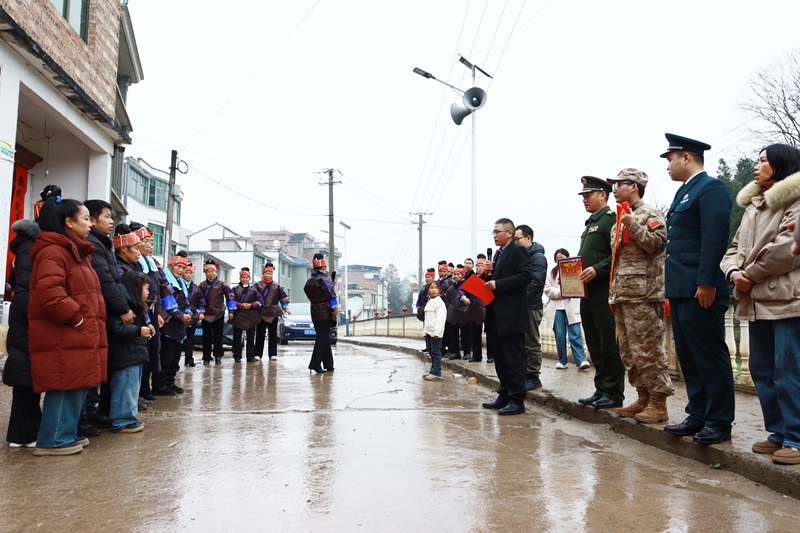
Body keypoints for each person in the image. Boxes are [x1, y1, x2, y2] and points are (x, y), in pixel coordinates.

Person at [721, 143, 800, 464]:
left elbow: (787, 248)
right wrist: (733, 272)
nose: (757, 166)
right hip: (754, 299)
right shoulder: (754, 205)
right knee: (762, 369)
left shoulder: (794, 199)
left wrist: (749, 273)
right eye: (756, 160)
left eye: (764, 161)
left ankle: (796, 437)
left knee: (788, 369)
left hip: (786, 299)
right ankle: (778, 432)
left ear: (782, 166)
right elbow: (733, 249)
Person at [660, 133, 735, 445]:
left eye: (670, 159)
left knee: (709, 353)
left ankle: (719, 421)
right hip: (680, 286)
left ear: (686, 157)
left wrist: (706, 282)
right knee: (688, 355)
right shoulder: (684, 192)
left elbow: (714, 238)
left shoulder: (711, 188)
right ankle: (698, 413)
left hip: (700, 286)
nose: (668, 165)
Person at [28, 197, 107, 456]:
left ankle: (67, 433)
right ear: (68, 222)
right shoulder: (54, 251)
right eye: (85, 218)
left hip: (77, 332)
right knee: (65, 383)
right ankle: (53, 440)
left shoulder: (74, 250)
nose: (90, 223)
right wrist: (79, 318)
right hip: (66, 331)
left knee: (77, 382)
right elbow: (50, 294)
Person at [607, 169, 674, 423]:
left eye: (619, 185)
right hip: (623, 295)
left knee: (648, 350)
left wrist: (633, 224)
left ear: (634, 186)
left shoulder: (649, 214)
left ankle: (659, 403)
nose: (614, 189)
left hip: (644, 296)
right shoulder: (620, 218)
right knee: (629, 352)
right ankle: (643, 396)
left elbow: (657, 245)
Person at [83, 199, 133, 432]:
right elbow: (106, 281)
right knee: (90, 367)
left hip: (105, 312)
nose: (112, 221)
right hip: (101, 313)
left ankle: (93, 413)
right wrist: (123, 308)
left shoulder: (102, 244)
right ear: (91, 220)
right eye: (106, 216)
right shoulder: (93, 244)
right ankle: (86, 416)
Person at [576, 176, 626, 409]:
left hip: (604, 290)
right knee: (594, 342)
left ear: (603, 195)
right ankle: (601, 388)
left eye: (589, 195)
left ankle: (614, 392)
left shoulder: (611, 219)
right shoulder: (590, 224)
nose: (584, 199)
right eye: (583, 196)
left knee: (609, 342)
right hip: (587, 292)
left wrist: (597, 269)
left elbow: (617, 254)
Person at [481, 218, 534, 416]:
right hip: (498, 315)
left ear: (509, 233)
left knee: (514, 359)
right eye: (493, 232)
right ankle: (504, 394)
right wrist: (489, 276)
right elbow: (496, 280)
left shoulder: (517, 250)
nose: (494, 235)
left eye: (497, 232)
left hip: (512, 315)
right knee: (501, 360)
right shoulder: (499, 254)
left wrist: (499, 283)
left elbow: (526, 275)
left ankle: (517, 400)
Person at [3, 218, 42, 447]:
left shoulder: (26, 245)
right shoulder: (30, 246)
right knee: (26, 375)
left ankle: (21, 433)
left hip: (24, 316)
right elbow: (26, 288)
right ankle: (25, 433)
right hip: (27, 319)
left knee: (26, 375)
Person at [107, 271, 154, 433]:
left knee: (132, 388)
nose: (148, 292)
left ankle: (129, 417)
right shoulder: (122, 308)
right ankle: (122, 421)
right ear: (135, 288)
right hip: (125, 356)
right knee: (125, 388)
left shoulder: (133, 306)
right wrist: (137, 331)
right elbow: (117, 329)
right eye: (146, 288)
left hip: (133, 355)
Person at [154, 252, 194, 395]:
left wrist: (188, 314)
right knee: (165, 356)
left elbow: (187, 304)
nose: (181, 270)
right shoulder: (165, 281)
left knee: (175, 358)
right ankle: (161, 385)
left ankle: (171, 381)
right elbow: (167, 304)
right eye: (178, 266)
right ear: (171, 265)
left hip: (180, 326)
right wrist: (180, 315)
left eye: (184, 267)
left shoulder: (181, 283)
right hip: (167, 325)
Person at [543, 248, 590, 370]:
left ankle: (581, 360)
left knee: (575, 334)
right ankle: (562, 360)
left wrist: (570, 291)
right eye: (557, 259)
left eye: (562, 258)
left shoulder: (575, 270)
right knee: (559, 335)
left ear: (568, 257)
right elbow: (547, 289)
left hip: (571, 307)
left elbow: (580, 286)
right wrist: (560, 293)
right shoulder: (552, 273)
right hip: (557, 308)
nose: (560, 260)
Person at [514, 224, 547, 391]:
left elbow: (536, 284)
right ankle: (525, 373)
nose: (515, 242)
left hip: (531, 306)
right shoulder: (521, 256)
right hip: (520, 305)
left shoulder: (537, 257)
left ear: (528, 238)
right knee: (522, 342)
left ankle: (534, 376)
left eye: (517, 239)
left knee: (531, 342)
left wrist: (520, 301)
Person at [190, 260, 236, 365]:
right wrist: (200, 311)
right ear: (205, 273)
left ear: (216, 272)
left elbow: (231, 296)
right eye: (208, 271)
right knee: (206, 337)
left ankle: (218, 356)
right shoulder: (202, 285)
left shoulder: (222, 284)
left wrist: (231, 310)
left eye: (212, 271)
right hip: (206, 314)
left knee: (218, 336)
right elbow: (198, 299)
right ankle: (206, 357)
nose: (211, 273)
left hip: (218, 314)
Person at [303, 253, 338, 373]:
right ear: (323, 267)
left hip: (314, 312)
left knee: (324, 338)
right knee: (322, 339)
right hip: (325, 312)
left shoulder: (309, 281)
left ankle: (329, 364)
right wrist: (335, 307)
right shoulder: (325, 279)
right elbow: (330, 295)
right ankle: (315, 364)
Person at [254, 263, 290, 362]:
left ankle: (273, 354)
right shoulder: (257, 285)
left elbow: (283, 297)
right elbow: (252, 296)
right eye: (267, 273)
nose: (268, 275)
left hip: (273, 312)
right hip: (261, 312)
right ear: (263, 274)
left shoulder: (276, 286)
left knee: (273, 334)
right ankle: (257, 354)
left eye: (270, 274)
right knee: (260, 335)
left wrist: (286, 307)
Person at [229, 267, 264, 363]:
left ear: (249, 278)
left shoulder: (254, 289)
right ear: (240, 278)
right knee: (237, 337)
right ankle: (237, 356)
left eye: (246, 277)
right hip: (238, 315)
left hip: (251, 315)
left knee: (251, 337)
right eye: (242, 277)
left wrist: (252, 305)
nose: (244, 279)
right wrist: (240, 305)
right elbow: (231, 301)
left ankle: (250, 356)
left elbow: (261, 301)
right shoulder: (234, 289)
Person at [422, 281, 447, 381]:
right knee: (431, 352)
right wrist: (424, 332)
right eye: (431, 288)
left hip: (435, 333)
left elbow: (440, 319)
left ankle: (437, 373)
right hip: (429, 332)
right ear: (428, 290)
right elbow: (426, 319)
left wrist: (437, 332)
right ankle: (432, 371)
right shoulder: (429, 302)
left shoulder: (439, 303)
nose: (433, 290)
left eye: (435, 288)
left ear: (439, 290)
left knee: (436, 353)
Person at [183, 264, 199, 366]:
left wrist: (201, 311)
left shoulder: (196, 288)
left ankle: (189, 358)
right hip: (180, 315)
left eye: (190, 273)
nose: (188, 275)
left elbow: (201, 301)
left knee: (190, 339)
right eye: (186, 273)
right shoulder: (178, 285)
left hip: (192, 316)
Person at [415, 267, 436, 353]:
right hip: (425, 310)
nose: (427, 279)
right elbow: (420, 298)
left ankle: (432, 347)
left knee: (431, 329)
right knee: (426, 329)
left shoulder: (435, 287)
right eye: (426, 277)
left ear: (433, 277)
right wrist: (418, 307)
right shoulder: (424, 288)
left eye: (429, 277)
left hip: (432, 310)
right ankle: (427, 346)